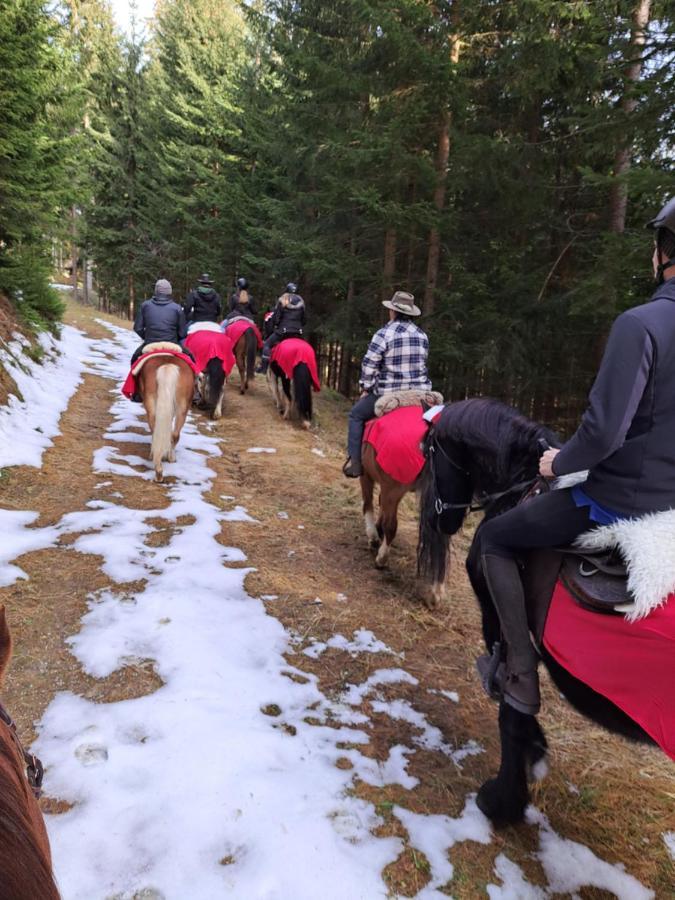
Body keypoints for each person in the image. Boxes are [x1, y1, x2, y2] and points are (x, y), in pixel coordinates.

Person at [475, 196, 675, 717]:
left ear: (664, 250)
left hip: (619, 501)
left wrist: (558, 463)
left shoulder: (643, 324)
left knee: (495, 536)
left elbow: (604, 433)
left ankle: (519, 673)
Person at [343, 290, 431, 478]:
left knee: (356, 416)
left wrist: (366, 387)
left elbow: (369, 364)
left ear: (393, 312)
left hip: (389, 394)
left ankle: (355, 462)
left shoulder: (384, 333)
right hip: (419, 394)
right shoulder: (422, 336)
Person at [132, 278, 188, 364]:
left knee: (134, 360)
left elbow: (138, 328)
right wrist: (174, 339)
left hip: (150, 343)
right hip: (172, 343)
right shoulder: (177, 308)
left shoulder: (145, 305)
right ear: (170, 291)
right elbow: (183, 333)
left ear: (156, 291)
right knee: (191, 359)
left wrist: (147, 337)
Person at [259, 283, 306, 373]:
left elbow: (276, 320)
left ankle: (263, 368)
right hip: (297, 332)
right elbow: (304, 320)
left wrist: (277, 326)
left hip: (283, 332)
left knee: (267, 344)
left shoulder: (282, 300)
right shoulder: (301, 302)